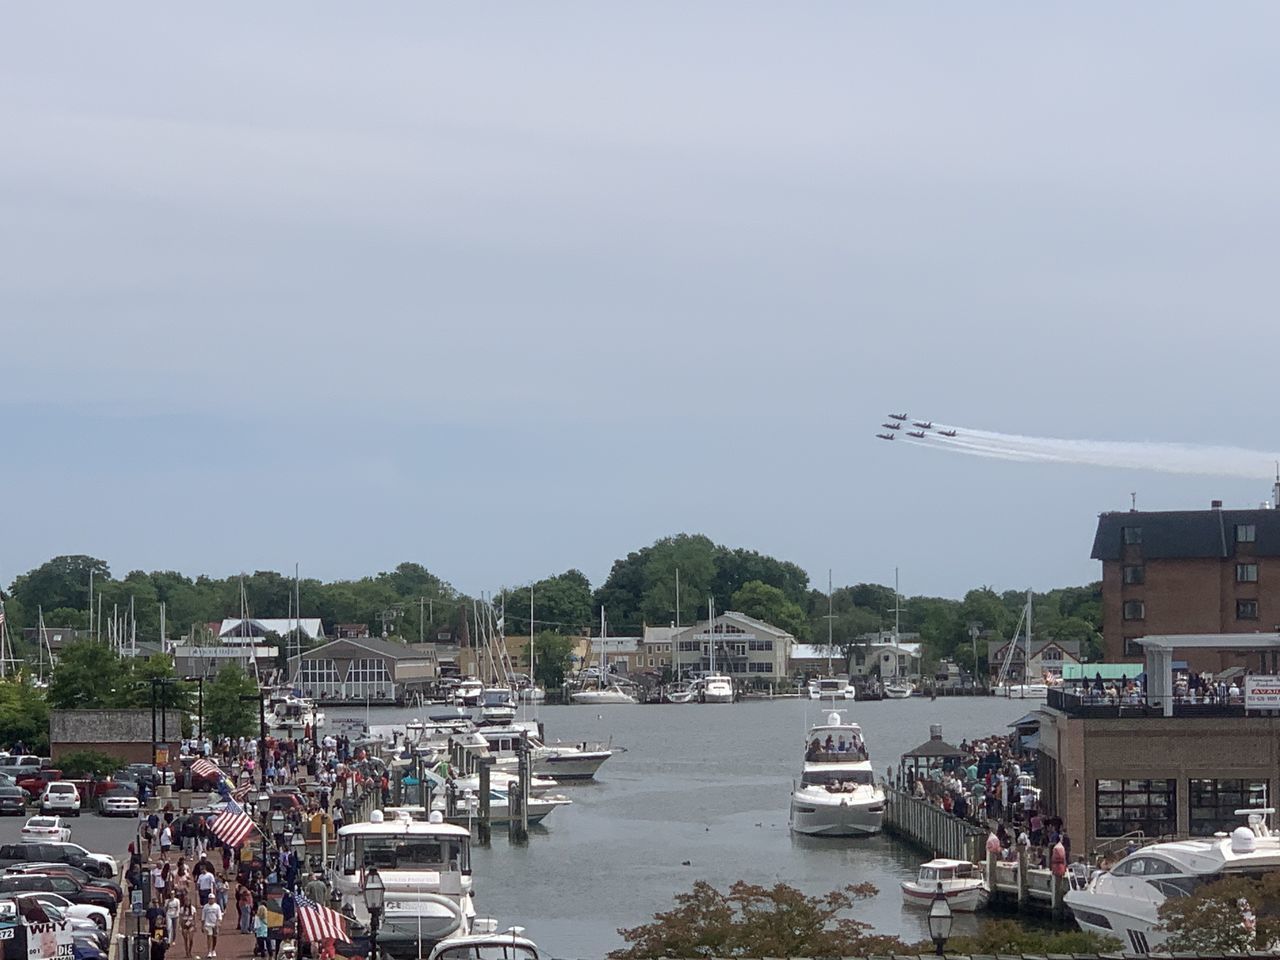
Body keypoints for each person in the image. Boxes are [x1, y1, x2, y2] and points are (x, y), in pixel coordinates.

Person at [201, 892, 223, 958]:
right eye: (210, 899)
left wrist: (218, 923)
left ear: (214, 899)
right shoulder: (205, 907)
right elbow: (203, 917)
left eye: (212, 899)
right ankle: (209, 951)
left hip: (215, 924)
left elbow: (219, 917)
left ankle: (213, 949)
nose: (211, 900)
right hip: (208, 924)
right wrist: (202, 926)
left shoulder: (217, 907)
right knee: (209, 937)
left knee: (215, 937)